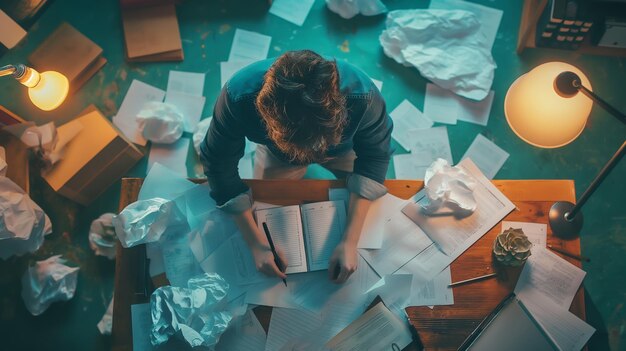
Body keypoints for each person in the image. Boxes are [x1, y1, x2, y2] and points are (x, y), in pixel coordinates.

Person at [200, 50, 392, 284]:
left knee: (369, 191)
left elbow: (375, 157)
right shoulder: (238, 98)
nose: (312, 157)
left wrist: (350, 241)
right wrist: (256, 243)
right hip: (280, 156)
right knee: (268, 201)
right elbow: (218, 165)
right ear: (265, 116)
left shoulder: (364, 97)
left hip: (342, 150)